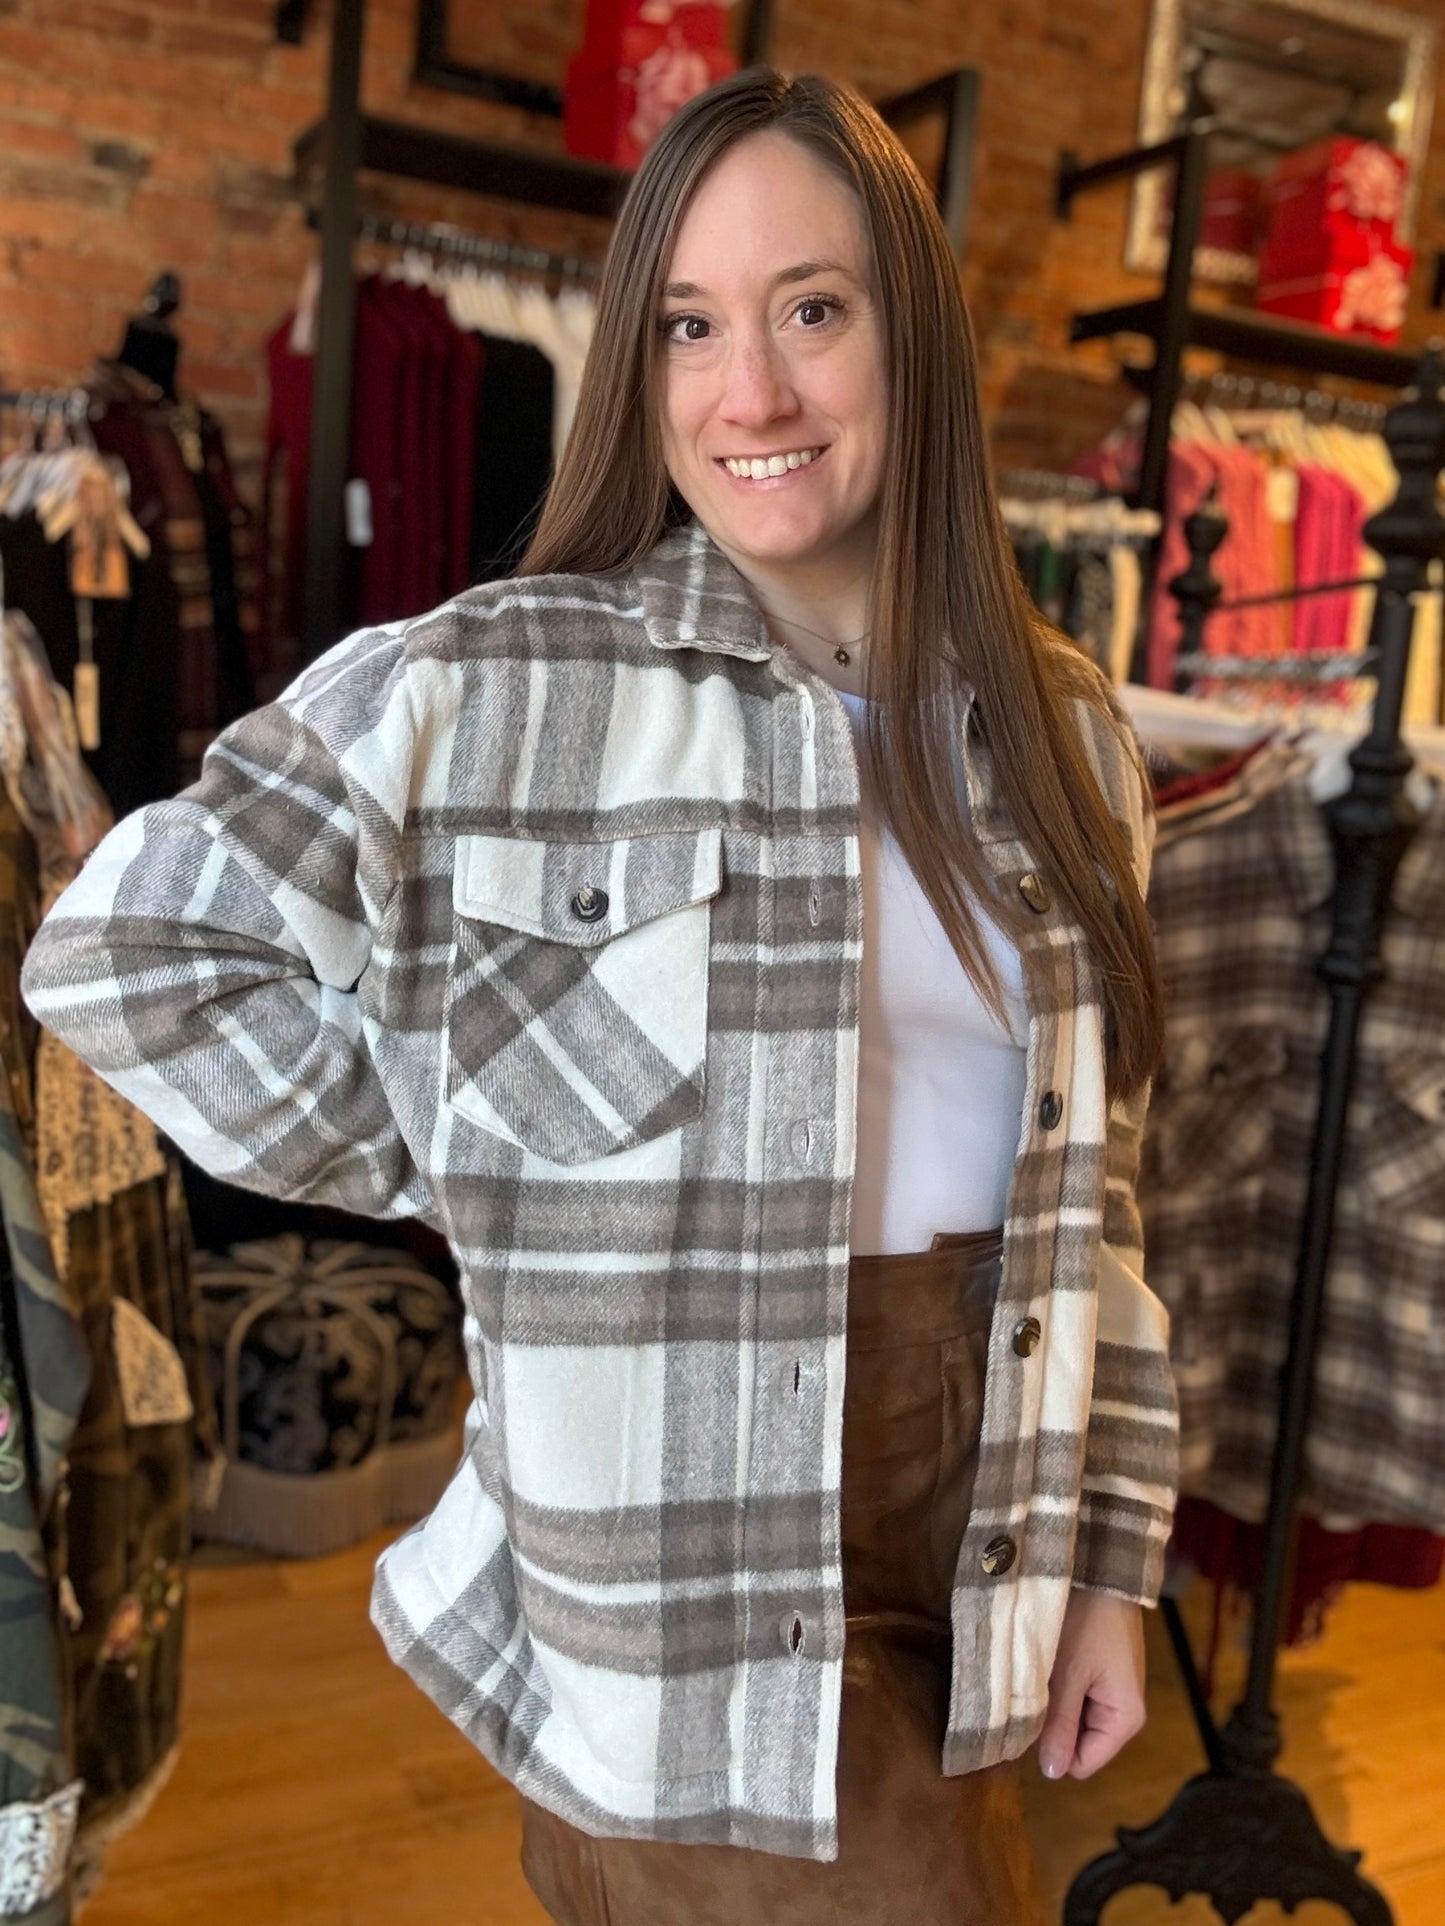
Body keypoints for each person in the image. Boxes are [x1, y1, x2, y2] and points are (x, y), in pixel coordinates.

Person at [22, 66, 1178, 1926]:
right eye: (689, 327)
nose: (752, 395)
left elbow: (1103, 1185)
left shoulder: (1070, 735)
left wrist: (1110, 1554)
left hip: (986, 1506)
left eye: (813, 309)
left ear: (914, 335)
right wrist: (454, 1152)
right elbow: (128, 948)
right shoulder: (506, 681)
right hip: (680, 1539)